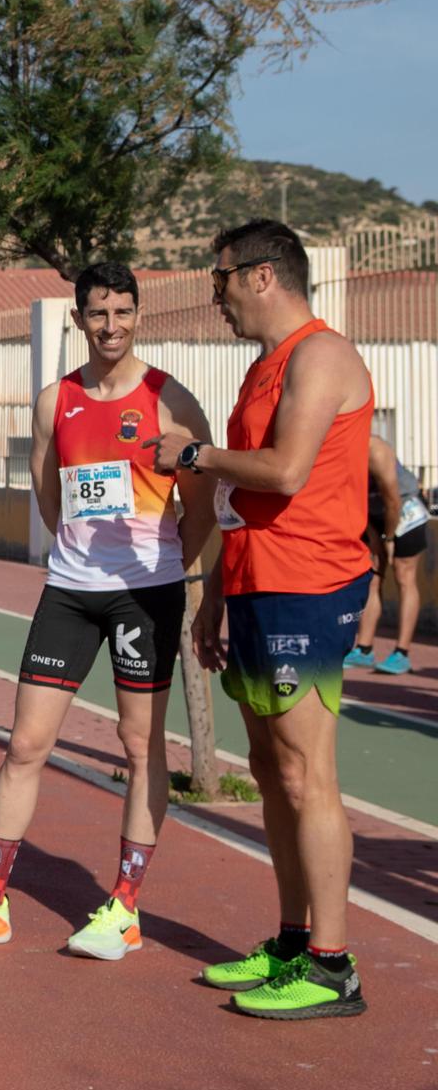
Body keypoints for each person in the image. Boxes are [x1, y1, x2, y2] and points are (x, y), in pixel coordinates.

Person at [0, 263, 216, 959]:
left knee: (138, 744)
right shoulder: (55, 397)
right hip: (70, 588)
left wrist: (167, 563)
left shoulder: (171, 397)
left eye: (122, 312)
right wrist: (79, 552)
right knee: (26, 743)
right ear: (78, 319)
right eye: (97, 314)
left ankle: (124, 906)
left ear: (138, 314)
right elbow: (46, 483)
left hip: (146, 591)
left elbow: (203, 508)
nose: (110, 325)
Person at [147, 219, 376, 1019]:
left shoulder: (322, 355)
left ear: (263, 275)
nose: (215, 298)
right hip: (252, 583)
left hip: (307, 587)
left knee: (309, 773)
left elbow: (283, 471)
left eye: (220, 282)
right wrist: (212, 594)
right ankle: (290, 941)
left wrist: (194, 454)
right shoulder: (265, 367)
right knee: (273, 771)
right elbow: (244, 505)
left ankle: (334, 961)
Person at [346, 433, 427, 675]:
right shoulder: (337, 446)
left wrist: (389, 538)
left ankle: (401, 653)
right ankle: (364, 649)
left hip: (404, 510)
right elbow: (353, 498)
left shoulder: (375, 449)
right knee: (372, 577)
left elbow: (393, 501)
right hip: (373, 514)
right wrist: (373, 537)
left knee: (404, 575)